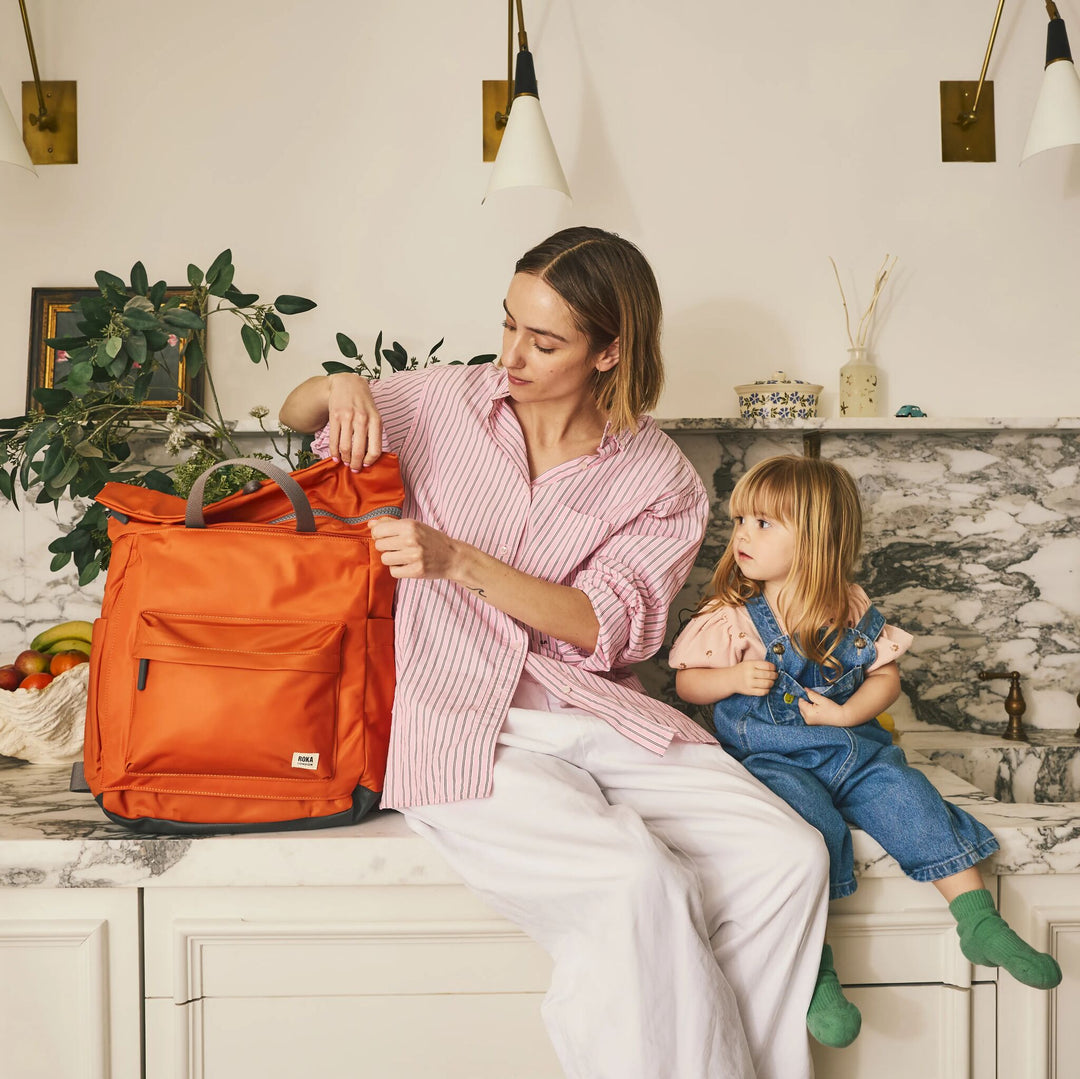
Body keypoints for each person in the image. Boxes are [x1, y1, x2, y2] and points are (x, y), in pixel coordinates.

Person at [279, 227, 830, 1079]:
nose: (512, 355)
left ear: (611, 351)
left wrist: (460, 559)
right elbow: (297, 413)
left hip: (591, 710)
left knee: (788, 857)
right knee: (633, 884)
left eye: (544, 341)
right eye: (508, 325)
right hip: (456, 718)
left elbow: (607, 625)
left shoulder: (660, 479)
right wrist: (344, 385)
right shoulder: (440, 403)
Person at [670, 453, 1062, 1050]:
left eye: (764, 523)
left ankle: (978, 918)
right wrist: (727, 682)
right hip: (773, 761)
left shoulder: (847, 608)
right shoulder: (732, 617)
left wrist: (851, 712)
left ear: (818, 539)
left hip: (854, 751)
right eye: (741, 520)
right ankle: (815, 968)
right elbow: (687, 682)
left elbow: (887, 678)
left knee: (910, 796)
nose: (742, 535)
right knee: (809, 833)